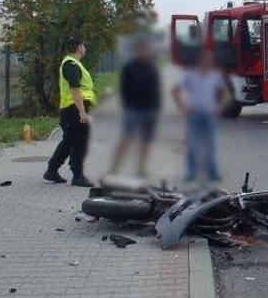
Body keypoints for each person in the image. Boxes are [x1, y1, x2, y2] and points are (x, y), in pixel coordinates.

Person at [44, 37, 97, 187]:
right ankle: (78, 176)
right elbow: (75, 89)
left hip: (73, 109)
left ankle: (51, 170)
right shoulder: (71, 65)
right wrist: (82, 112)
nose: (84, 48)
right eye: (83, 46)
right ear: (79, 47)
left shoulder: (73, 64)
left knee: (69, 142)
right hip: (74, 109)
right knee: (80, 143)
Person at [173, 48, 227, 184]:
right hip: (194, 114)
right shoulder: (190, 74)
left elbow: (225, 92)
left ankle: (213, 173)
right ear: (199, 61)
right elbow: (175, 90)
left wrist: (220, 107)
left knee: (210, 145)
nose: (207, 62)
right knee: (192, 144)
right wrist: (182, 107)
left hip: (209, 114)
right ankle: (191, 173)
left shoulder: (215, 75)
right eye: (205, 60)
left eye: (210, 60)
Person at [109, 37, 161, 177]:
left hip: (150, 111)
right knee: (126, 138)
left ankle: (142, 169)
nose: (144, 52)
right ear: (136, 50)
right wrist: (127, 105)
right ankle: (114, 168)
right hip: (133, 110)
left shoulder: (151, 67)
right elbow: (124, 89)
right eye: (141, 49)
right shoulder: (129, 67)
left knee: (146, 141)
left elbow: (156, 88)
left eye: (146, 49)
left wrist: (156, 107)